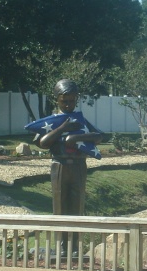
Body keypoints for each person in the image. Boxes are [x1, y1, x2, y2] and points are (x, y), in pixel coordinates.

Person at [33, 79, 103, 257]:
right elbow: (43, 142)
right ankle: (61, 246)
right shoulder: (52, 121)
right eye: (64, 100)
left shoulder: (80, 120)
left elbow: (99, 136)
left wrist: (74, 138)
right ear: (57, 99)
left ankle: (75, 247)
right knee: (60, 205)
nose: (68, 104)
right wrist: (63, 128)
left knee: (76, 205)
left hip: (79, 165)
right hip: (60, 166)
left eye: (72, 100)